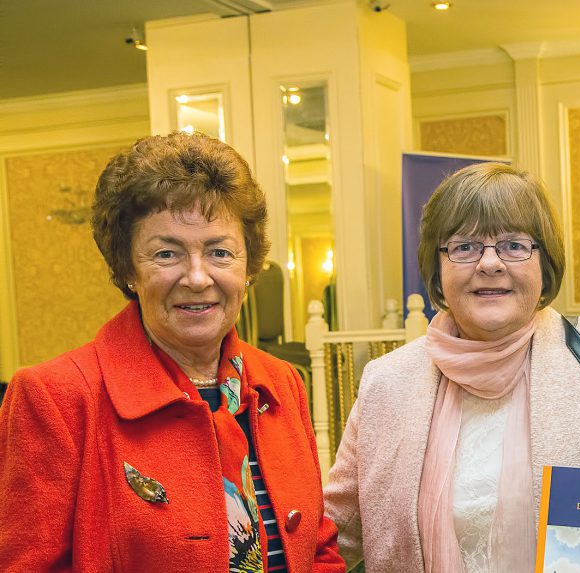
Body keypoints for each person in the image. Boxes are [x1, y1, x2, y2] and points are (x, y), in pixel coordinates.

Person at [0, 132, 346, 572]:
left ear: (248, 266)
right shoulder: (56, 398)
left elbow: (317, 548)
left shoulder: (281, 383)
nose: (197, 278)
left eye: (220, 252)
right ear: (127, 267)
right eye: (167, 253)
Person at [323, 162, 580, 572]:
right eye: (465, 247)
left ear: (545, 265)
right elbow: (330, 536)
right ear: (438, 270)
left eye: (514, 245)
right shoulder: (387, 383)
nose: (489, 263)